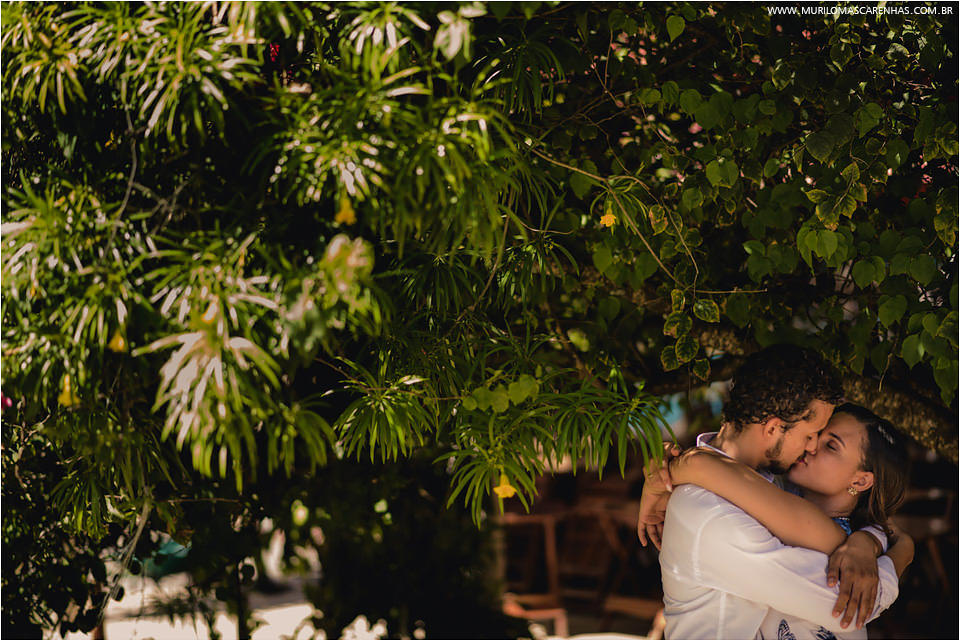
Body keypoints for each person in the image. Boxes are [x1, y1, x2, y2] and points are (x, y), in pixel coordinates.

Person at [636, 344, 900, 639]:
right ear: (774, 429)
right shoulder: (711, 515)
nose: (812, 447)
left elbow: (848, 523)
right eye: (811, 435)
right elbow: (847, 607)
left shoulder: (773, 480)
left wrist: (868, 540)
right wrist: (899, 555)